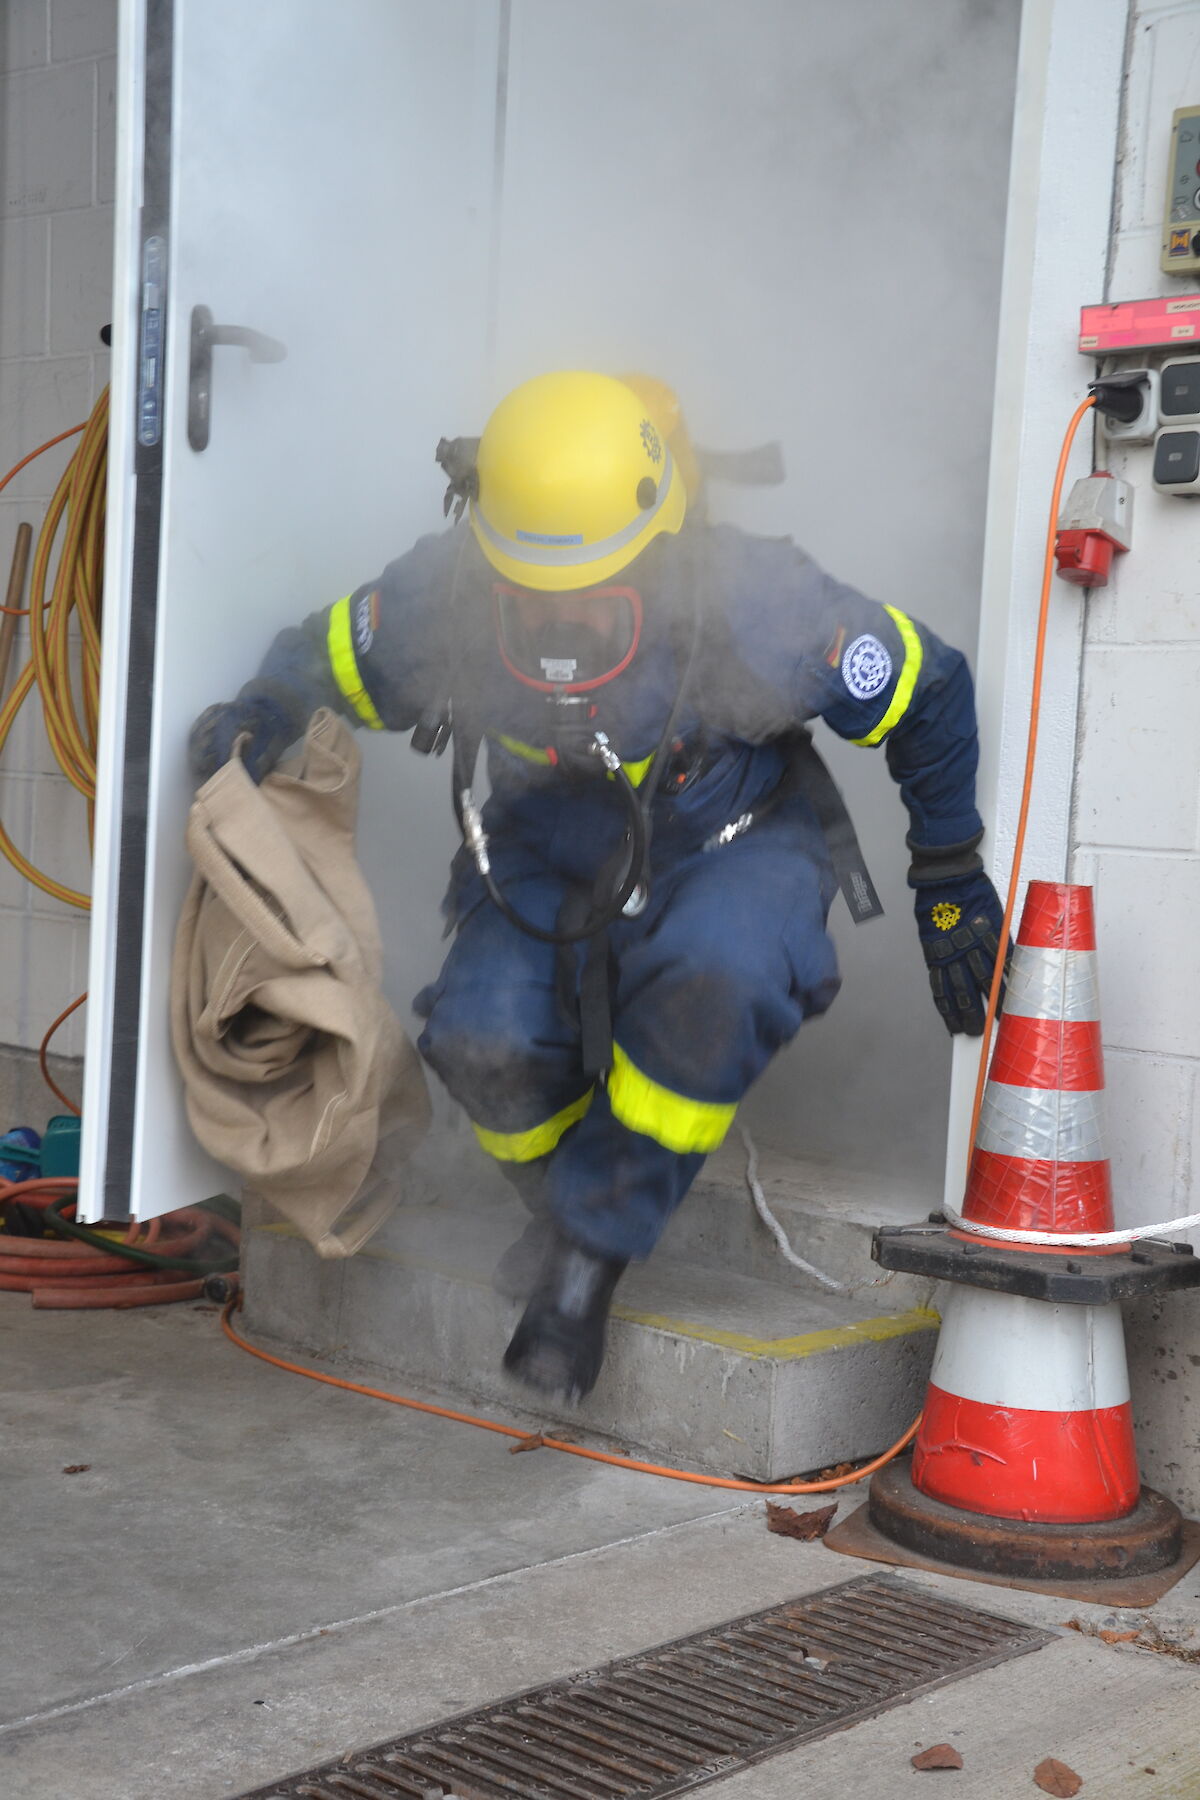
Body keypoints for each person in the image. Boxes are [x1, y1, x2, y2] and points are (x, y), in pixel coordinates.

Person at [189, 370, 1005, 1403]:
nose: (557, 609)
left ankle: (588, 1258)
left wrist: (946, 875)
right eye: (530, 587)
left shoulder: (757, 601)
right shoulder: (452, 592)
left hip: (730, 834)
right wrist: (265, 704)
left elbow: (929, 686)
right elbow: (335, 655)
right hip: (543, 841)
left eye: (588, 585)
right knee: (480, 1036)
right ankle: (567, 1201)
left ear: (660, 539)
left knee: (718, 977)